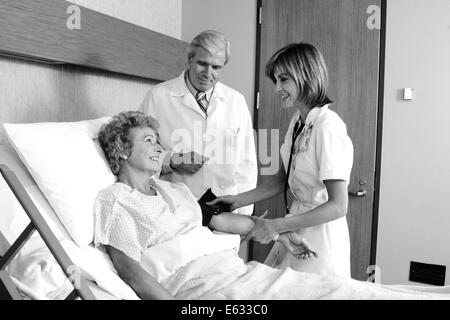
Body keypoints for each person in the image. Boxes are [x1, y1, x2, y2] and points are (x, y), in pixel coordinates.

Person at [94, 111, 316, 300]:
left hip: (238, 274)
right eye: (148, 140)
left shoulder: (173, 189)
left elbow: (221, 220)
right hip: (204, 289)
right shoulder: (116, 200)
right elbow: (131, 271)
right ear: (122, 149)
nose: (159, 148)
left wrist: (281, 234)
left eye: (157, 141)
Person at [208, 43, 354, 278]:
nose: (277, 88)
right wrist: (236, 200)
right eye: (276, 81)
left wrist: (275, 226)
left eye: (284, 80)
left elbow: (338, 206)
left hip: (321, 236)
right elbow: (278, 182)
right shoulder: (298, 122)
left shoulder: (328, 127)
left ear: (306, 76)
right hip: (294, 227)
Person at [139, 30, 257, 216]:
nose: (208, 73)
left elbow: (246, 164)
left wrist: (243, 216)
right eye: (202, 63)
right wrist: (172, 160)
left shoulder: (236, 101)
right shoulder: (158, 96)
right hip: (175, 208)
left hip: (225, 209)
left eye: (216, 67)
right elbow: (140, 151)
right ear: (190, 59)